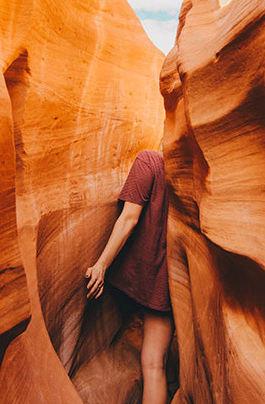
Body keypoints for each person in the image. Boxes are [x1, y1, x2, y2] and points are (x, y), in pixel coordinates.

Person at [84, 149, 174, 404]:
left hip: (135, 276)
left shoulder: (150, 160)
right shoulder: (188, 169)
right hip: (166, 283)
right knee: (155, 364)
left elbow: (129, 219)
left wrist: (101, 265)